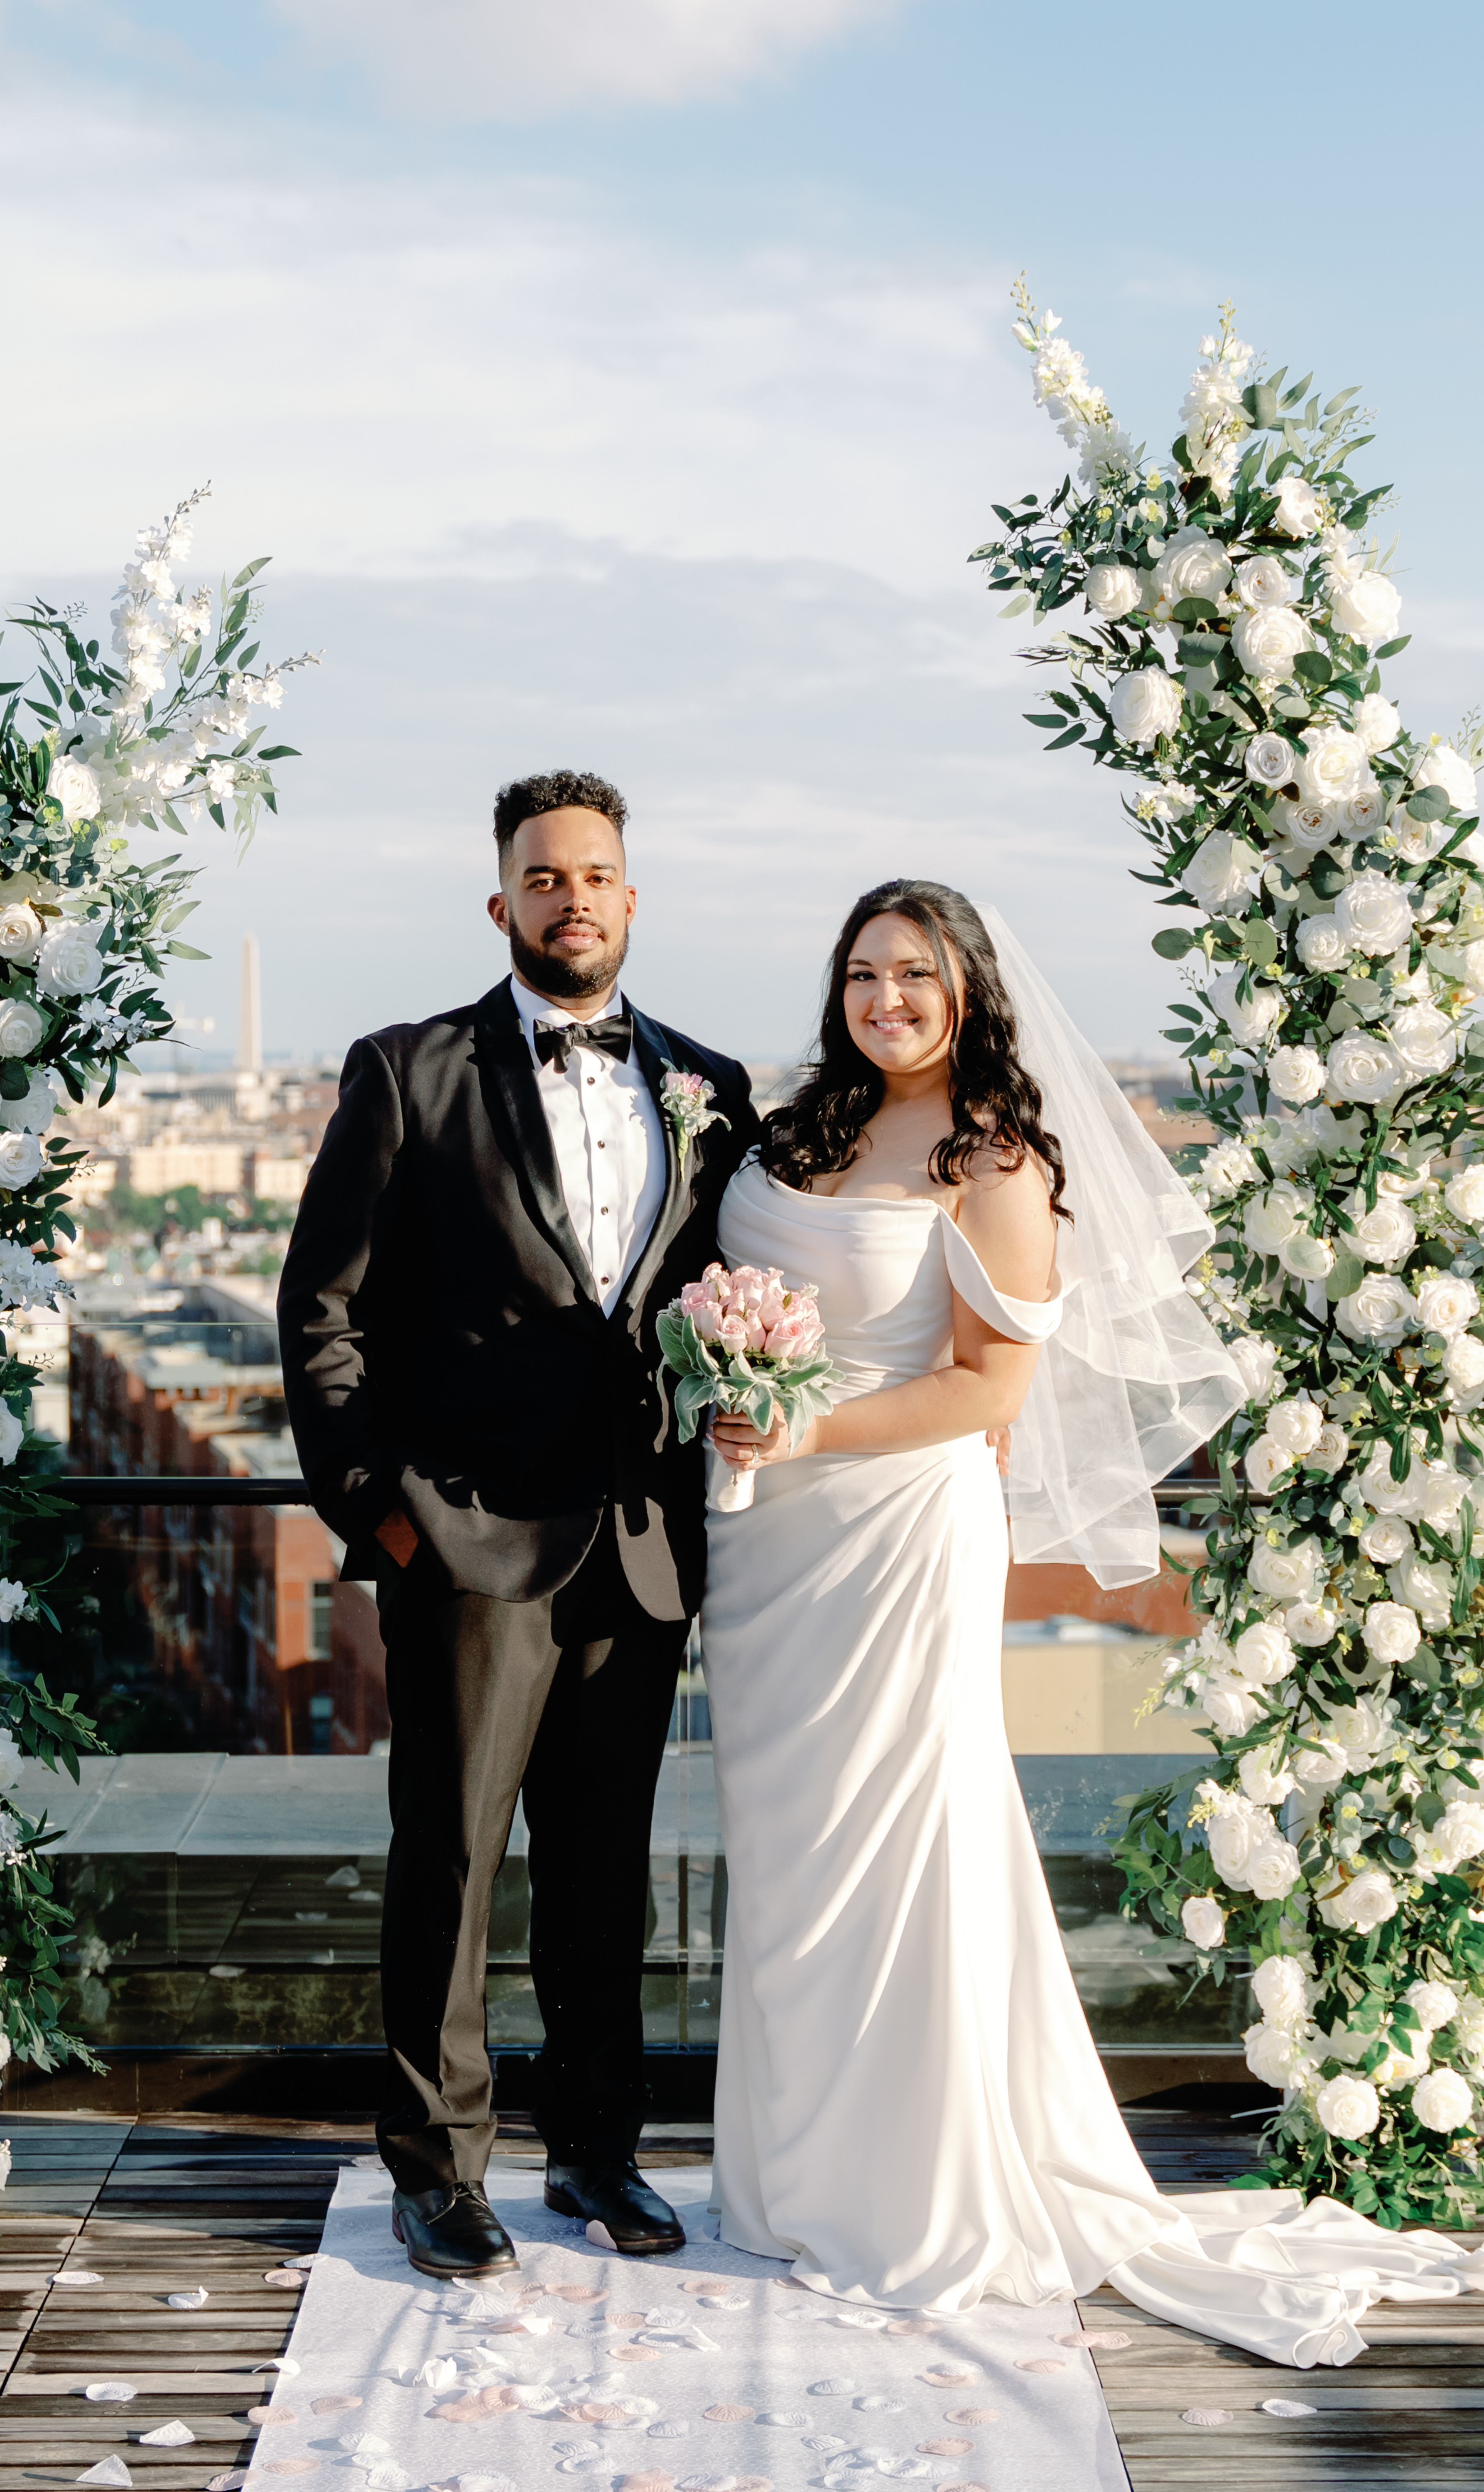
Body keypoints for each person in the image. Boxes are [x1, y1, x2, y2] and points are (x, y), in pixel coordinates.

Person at [699, 878, 1484, 2367]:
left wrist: (804, 1434)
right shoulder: (802, 1125)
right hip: (768, 1552)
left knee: (903, 1834)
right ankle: (792, 2176)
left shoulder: (993, 1156)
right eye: (863, 974)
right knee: (792, 1853)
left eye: (916, 977)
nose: (886, 1002)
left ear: (969, 988)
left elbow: (992, 1388)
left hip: (891, 1532)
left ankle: (909, 2192)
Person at [278, 769, 758, 2280]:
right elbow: (323, 1309)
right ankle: (437, 2168)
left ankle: (598, 2153)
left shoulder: (714, 1089)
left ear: (633, 895)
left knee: (606, 1867)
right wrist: (379, 1513)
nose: (573, 898)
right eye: (543, 877)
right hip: (466, 1541)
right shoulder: (408, 1071)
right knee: (455, 1865)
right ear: (503, 904)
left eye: (597, 874)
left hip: (637, 1539)